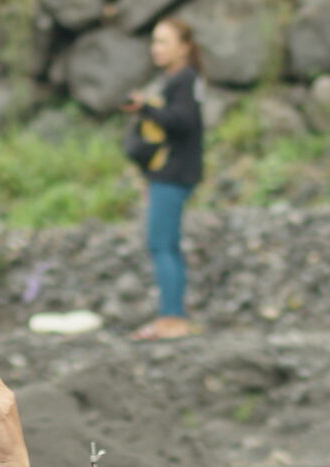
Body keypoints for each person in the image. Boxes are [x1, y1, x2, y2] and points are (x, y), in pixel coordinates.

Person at [123, 17, 205, 343]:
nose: (156, 48)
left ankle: (172, 319)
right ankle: (172, 316)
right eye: (154, 41)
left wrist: (146, 108)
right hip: (168, 173)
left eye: (163, 42)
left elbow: (183, 123)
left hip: (174, 175)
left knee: (162, 245)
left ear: (184, 47)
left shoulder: (184, 80)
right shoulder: (175, 80)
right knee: (166, 245)